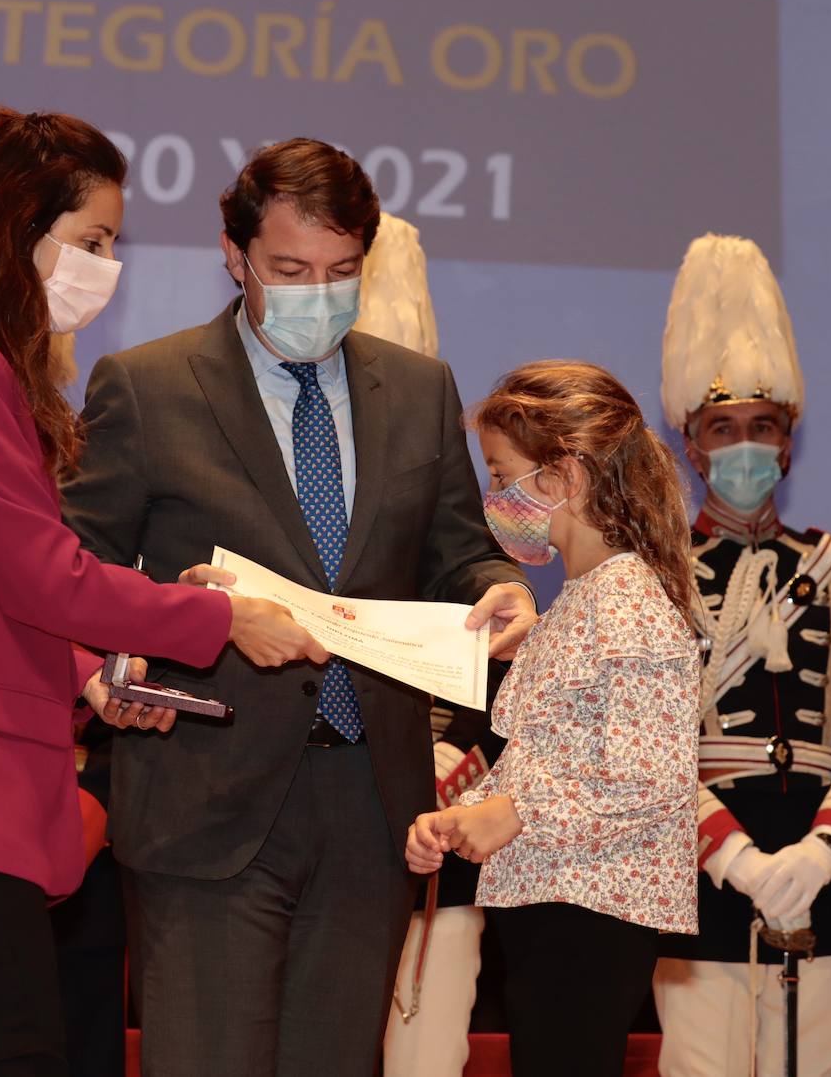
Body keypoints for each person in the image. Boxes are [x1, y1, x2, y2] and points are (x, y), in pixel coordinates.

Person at [0, 107, 323, 1077]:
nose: (106, 266)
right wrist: (221, 616)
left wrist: (95, 676)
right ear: (19, 224)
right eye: (91, 240)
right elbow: (39, 571)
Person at [59, 139, 536, 1077]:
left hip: (371, 798)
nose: (318, 291)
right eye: (289, 269)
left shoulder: (420, 388)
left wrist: (501, 585)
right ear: (234, 256)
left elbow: (456, 551)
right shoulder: (147, 386)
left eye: (341, 270)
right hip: (205, 790)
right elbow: (78, 571)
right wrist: (132, 650)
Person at [651, 235, 831, 1077]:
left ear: (788, 443)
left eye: (763, 427)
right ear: (692, 446)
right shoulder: (654, 574)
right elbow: (647, 743)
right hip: (703, 876)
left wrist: (823, 850)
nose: (745, 445)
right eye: (723, 429)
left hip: (822, 874)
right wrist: (736, 858)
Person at [407, 360, 701, 1077]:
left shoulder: (628, 597)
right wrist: (459, 816)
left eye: (502, 475)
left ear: (565, 475)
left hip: (593, 901)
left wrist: (513, 813)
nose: (493, 498)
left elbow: (650, 777)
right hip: (551, 892)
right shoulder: (581, 597)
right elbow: (544, 756)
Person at [350, 213, 500, 1077]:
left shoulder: (460, 526)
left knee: (427, 1053)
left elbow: (494, 678)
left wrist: (436, 770)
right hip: (322, 810)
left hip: (441, 813)